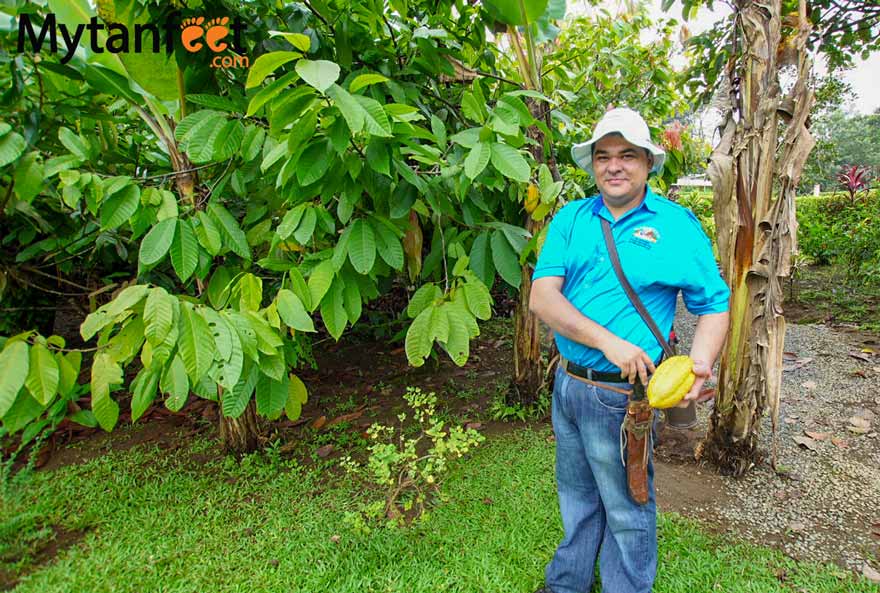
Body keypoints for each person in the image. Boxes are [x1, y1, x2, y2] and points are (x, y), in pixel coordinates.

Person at [529, 107, 730, 593]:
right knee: (576, 495)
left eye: (627, 155)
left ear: (647, 163)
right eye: (603, 156)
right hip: (568, 384)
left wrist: (700, 366)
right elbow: (542, 298)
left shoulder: (676, 225)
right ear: (592, 164)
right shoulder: (572, 219)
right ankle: (567, 584)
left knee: (627, 504)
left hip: (624, 399)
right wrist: (608, 341)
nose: (613, 166)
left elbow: (715, 302)